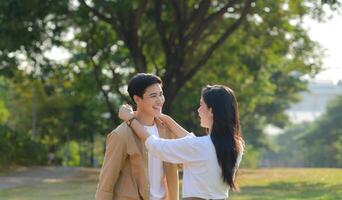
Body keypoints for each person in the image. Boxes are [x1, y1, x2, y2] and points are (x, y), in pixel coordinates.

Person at [119, 85, 244, 200]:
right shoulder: (236, 145)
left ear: (211, 111)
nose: (198, 110)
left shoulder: (200, 146)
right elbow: (193, 143)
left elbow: (157, 147)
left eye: (201, 105)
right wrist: (164, 118)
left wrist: (130, 119)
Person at [96, 73, 179, 200]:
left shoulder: (167, 130)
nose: (159, 100)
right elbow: (106, 184)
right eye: (153, 96)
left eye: (161, 94)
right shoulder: (121, 135)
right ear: (137, 99)